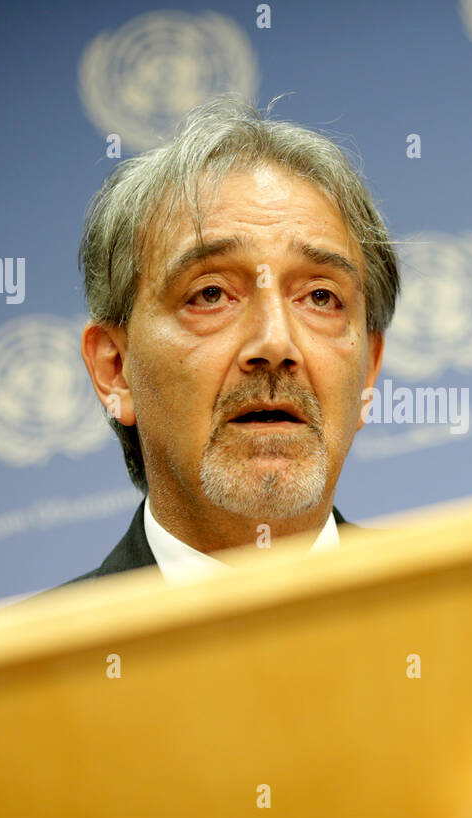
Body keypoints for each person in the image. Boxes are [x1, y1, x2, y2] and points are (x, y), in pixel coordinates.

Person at [56, 94, 399, 588]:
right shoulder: (23, 664)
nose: (276, 343)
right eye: (211, 294)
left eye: (320, 297)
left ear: (369, 372)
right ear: (115, 369)